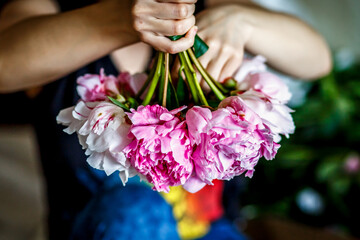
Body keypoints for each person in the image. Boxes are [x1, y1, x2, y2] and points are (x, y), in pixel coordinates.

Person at [0, 0, 332, 239]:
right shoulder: (52, 11)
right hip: (102, 226)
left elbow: (318, 60)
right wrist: (122, 17)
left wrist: (241, 19)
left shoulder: (208, 9)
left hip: (212, 228)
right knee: (133, 208)